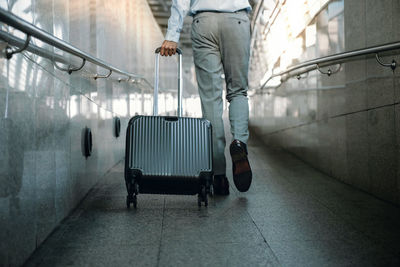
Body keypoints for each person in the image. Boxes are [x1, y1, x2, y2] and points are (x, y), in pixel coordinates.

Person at [160, 0, 252, 195]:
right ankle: (239, 143)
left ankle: (218, 176)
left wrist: (172, 35)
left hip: (205, 21)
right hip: (237, 19)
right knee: (237, 92)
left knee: (211, 99)